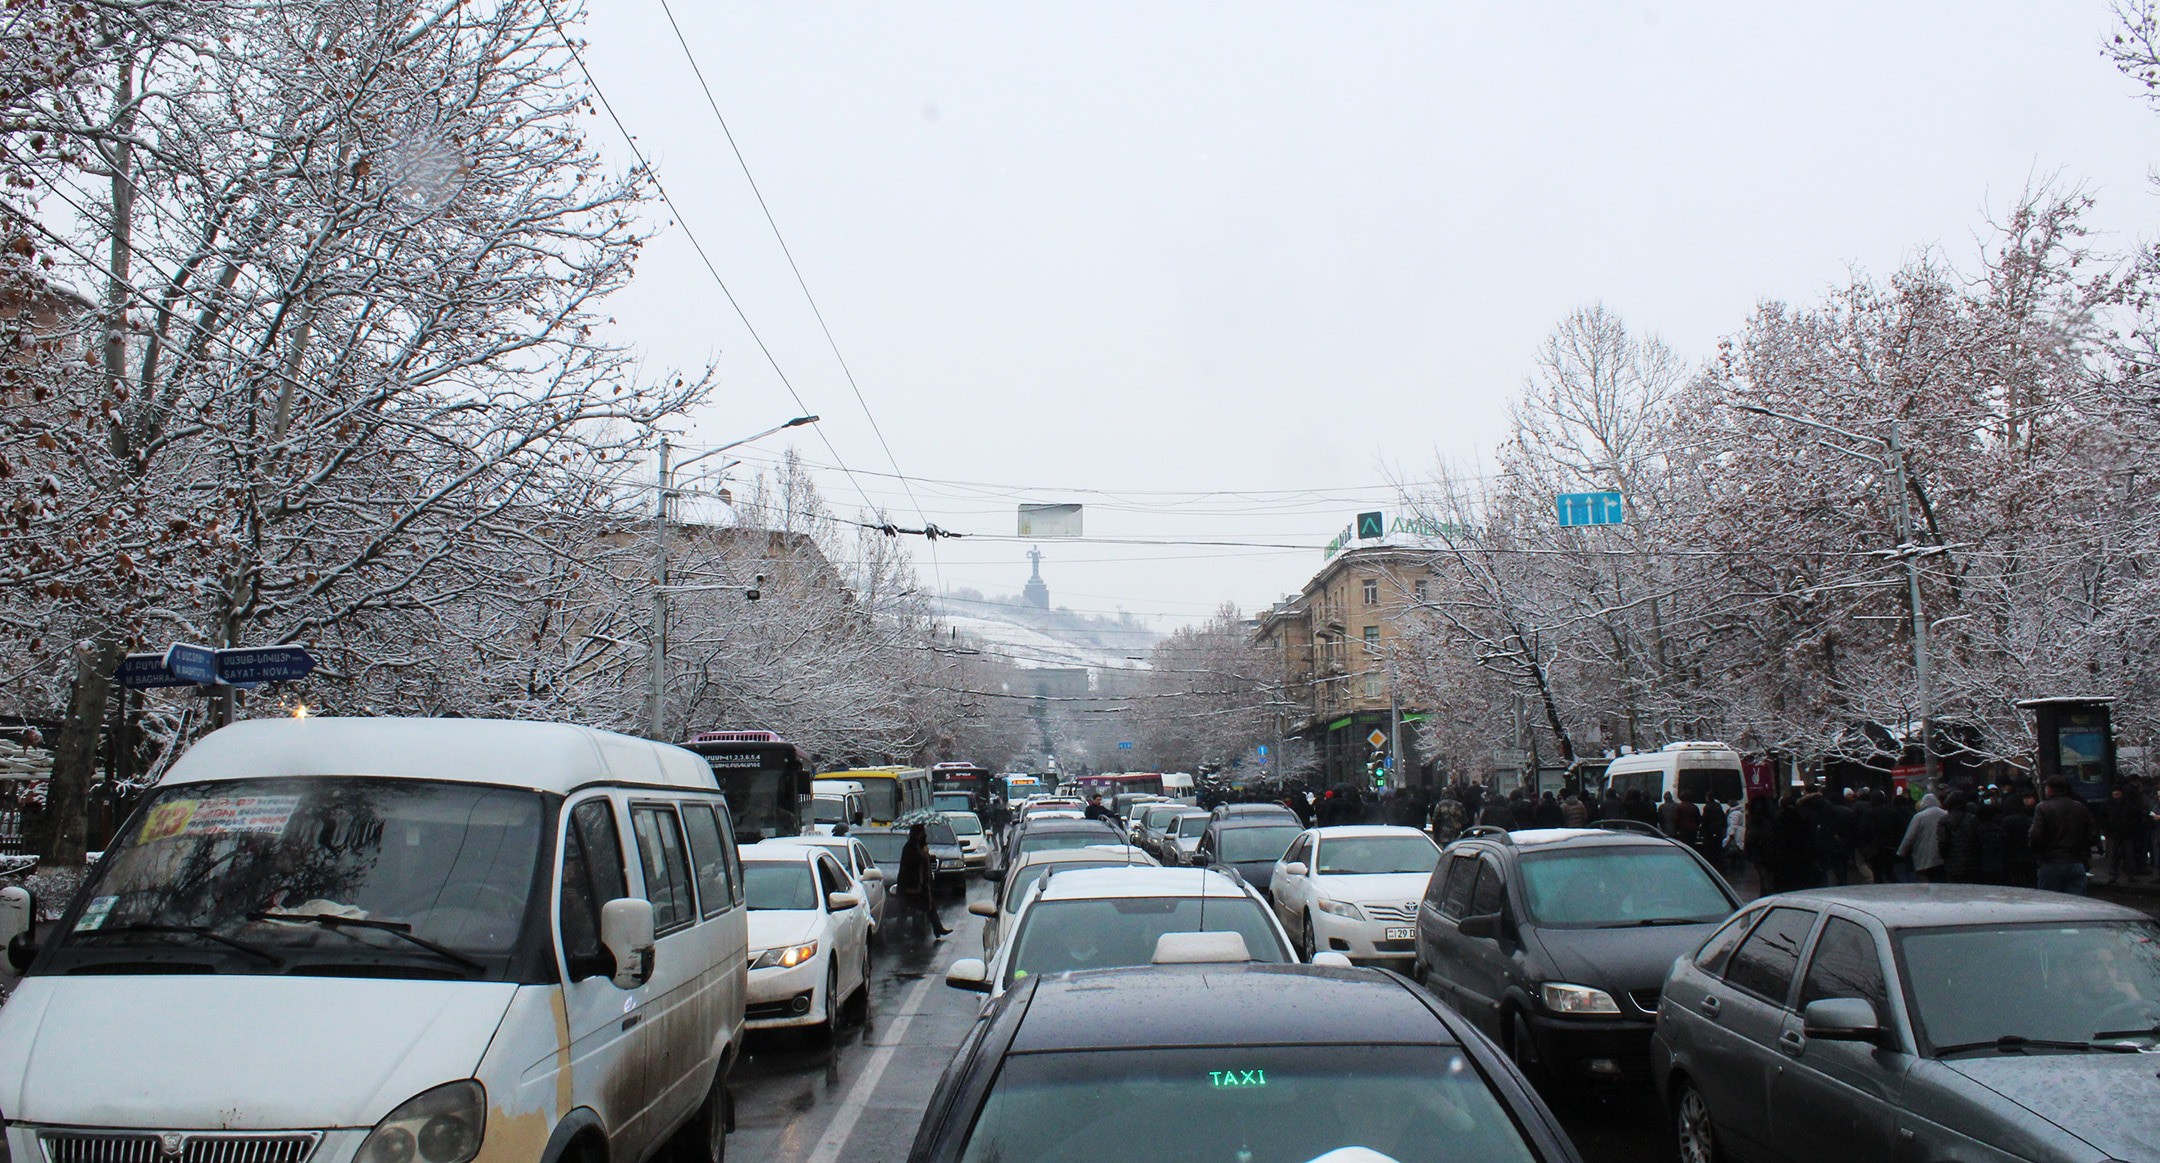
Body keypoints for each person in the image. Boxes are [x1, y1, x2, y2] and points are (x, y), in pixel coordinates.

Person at [2031, 777, 2096, 896]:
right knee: (2076, 901)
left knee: (2050, 900)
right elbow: (2091, 834)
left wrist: (2038, 854)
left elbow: (2035, 834)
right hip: (2076, 862)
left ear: (2049, 790)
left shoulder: (2043, 807)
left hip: (2051, 862)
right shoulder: (2079, 807)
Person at [899, 823, 951, 937]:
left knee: (929, 905)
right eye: (923, 832)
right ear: (918, 833)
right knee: (911, 907)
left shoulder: (919, 845)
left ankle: (937, 928)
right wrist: (924, 854)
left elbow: (922, 860)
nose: (925, 834)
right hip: (914, 884)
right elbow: (914, 862)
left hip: (922, 883)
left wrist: (928, 855)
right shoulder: (911, 846)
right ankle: (908, 932)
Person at [1897, 793, 1948, 883]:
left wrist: (1901, 852)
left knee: (1925, 885)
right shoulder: (1945, 814)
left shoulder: (1919, 817)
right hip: (1942, 858)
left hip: (1923, 859)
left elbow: (1909, 837)